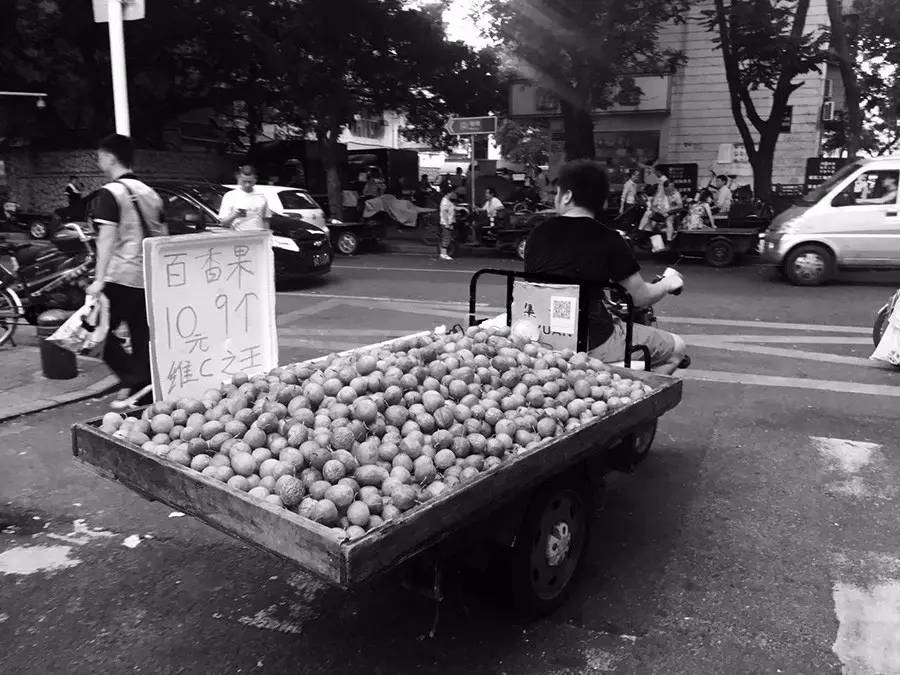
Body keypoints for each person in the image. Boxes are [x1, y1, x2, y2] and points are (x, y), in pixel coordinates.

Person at [524, 159, 686, 375]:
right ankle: (636, 395)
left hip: (537, 334)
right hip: (592, 340)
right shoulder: (609, 238)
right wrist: (667, 283)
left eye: (557, 192)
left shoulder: (537, 234)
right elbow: (640, 297)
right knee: (677, 348)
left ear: (567, 196)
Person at [85, 134, 167, 409]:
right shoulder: (151, 194)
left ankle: (134, 376)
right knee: (141, 333)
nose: (99, 160)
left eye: (100, 155)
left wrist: (98, 280)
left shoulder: (111, 192)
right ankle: (143, 392)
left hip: (120, 275)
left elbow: (106, 237)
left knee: (94, 329)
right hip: (147, 277)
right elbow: (162, 236)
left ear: (109, 157)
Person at [218, 165, 272, 231]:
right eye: (244, 181)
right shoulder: (230, 196)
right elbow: (223, 222)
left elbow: (266, 219)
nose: (247, 185)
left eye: (250, 182)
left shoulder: (261, 196)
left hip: (258, 237)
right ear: (239, 179)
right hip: (239, 237)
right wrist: (235, 215)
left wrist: (267, 235)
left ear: (255, 180)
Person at [438, 188, 457, 261]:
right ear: (448, 193)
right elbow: (444, 213)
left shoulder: (448, 201)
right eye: (452, 193)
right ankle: (443, 254)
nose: (453, 194)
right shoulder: (445, 202)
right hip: (446, 223)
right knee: (446, 238)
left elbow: (453, 208)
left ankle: (444, 254)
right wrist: (447, 223)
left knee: (448, 237)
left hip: (449, 222)